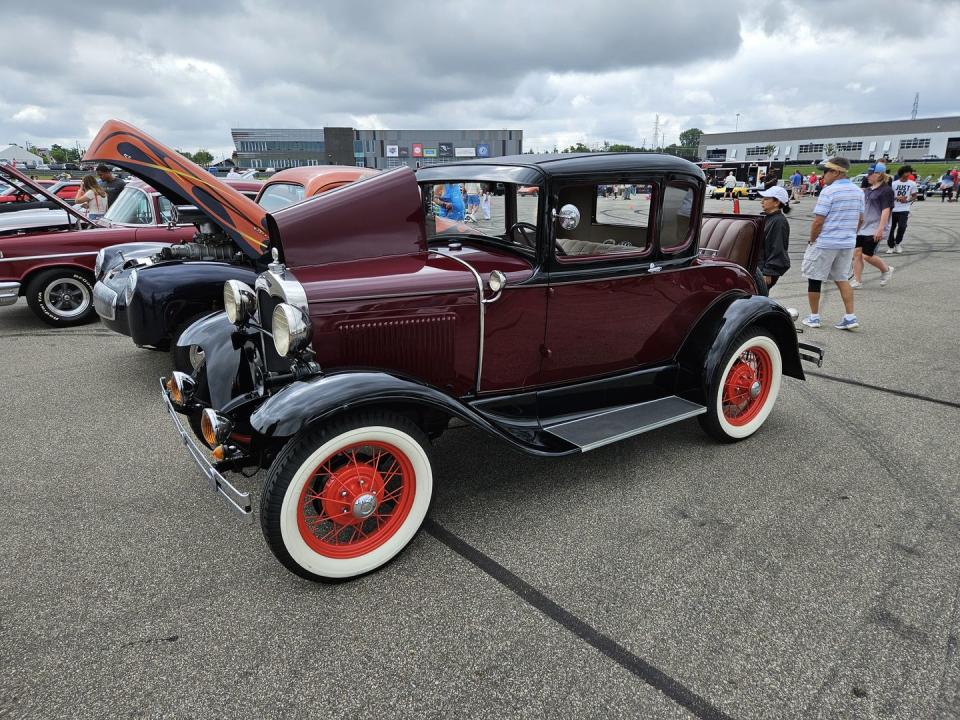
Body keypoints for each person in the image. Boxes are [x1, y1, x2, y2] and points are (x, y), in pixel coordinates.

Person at [801, 157, 864, 331]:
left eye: (826, 171)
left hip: (826, 242)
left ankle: (814, 317)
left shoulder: (829, 192)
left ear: (836, 172)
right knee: (842, 278)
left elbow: (818, 221)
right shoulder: (858, 192)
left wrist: (813, 239)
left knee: (814, 278)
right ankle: (850, 316)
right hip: (847, 242)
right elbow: (861, 219)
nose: (823, 176)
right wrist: (851, 233)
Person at [850, 163, 894, 288]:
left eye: (870, 174)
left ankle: (886, 269)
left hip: (875, 227)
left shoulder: (886, 191)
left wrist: (880, 229)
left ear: (879, 174)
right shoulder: (868, 190)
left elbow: (886, 210)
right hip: (863, 227)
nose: (867, 176)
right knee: (857, 253)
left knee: (867, 255)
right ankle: (857, 281)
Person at [757, 185, 791, 290]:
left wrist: (768, 272)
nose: (762, 201)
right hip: (759, 268)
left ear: (776, 202)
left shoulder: (779, 222)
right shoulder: (767, 218)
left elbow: (778, 248)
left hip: (765, 271)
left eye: (766, 199)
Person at [887, 166, 917, 254]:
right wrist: (897, 197)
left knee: (902, 227)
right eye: (907, 172)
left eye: (909, 172)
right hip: (893, 209)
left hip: (904, 209)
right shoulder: (893, 184)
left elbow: (914, 196)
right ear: (902, 173)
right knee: (891, 228)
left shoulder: (912, 183)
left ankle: (898, 243)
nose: (909, 174)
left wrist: (907, 200)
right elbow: (888, 196)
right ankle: (891, 246)